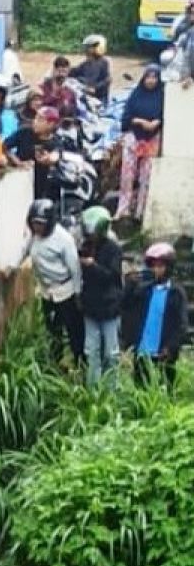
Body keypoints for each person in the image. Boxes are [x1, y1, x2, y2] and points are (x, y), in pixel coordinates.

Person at [23, 198, 83, 365]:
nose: (37, 227)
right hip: (46, 291)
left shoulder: (63, 240)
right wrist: (10, 268)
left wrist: (78, 292)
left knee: (73, 330)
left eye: (41, 224)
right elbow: (25, 250)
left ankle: (79, 363)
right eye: (34, 223)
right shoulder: (34, 236)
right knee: (52, 330)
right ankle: (55, 364)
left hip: (65, 290)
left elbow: (74, 268)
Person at [123, 242, 187, 386]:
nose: (156, 270)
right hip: (143, 351)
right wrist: (130, 285)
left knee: (165, 389)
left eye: (160, 266)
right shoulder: (144, 290)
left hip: (163, 353)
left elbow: (182, 325)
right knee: (141, 389)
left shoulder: (176, 293)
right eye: (153, 266)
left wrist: (170, 347)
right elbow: (126, 306)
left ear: (169, 268)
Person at [77, 206, 122, 385]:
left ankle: (112, 388)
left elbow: (111, 275)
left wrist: (92, 265)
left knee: (111, 352)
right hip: (90, 308)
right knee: (91, 351)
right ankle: (93, 388)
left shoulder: (113, 249)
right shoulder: (86, 246)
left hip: (109, 308)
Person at [116, 63, 164, 221]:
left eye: (154, 77)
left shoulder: (162, 96)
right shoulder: (136, 95)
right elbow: (127, 116)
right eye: (148, 77)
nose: (151, 81)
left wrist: (156, 122)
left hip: (152, 139)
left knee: (146, 177)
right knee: (127, 176)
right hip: (134, 137)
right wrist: (140, 121)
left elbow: (164, 115)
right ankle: (123, 209)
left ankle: (140, 211)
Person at [6, 106, 61, 199]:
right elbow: (5, 147)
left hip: (40, 185)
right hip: (19, 181)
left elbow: (57, 154)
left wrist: (48, 159)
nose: (35, 122)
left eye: (40, 119)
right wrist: (18, 162)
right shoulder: (24, 132)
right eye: (35, 118)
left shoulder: (55, 141)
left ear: (50, 124)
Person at [72, 35, 111, 104]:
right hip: (86, 95)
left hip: (98, 99)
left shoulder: (103, 62)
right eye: (86, 47)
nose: (86, 50)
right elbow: (75, 71)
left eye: (89, 47)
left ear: (98, 47)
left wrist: (94, 87)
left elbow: (105, 80)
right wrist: (64, 70)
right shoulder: (87, 63)